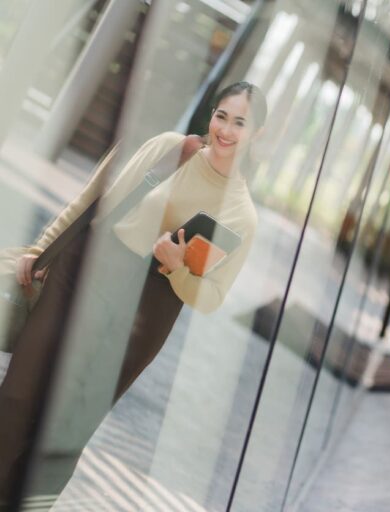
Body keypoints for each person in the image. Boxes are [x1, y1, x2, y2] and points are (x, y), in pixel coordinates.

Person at [0, 81, 265, 506]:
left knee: (65, 425)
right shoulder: (168, 148)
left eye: (240, 123)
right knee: (17, 395)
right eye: (221, 116)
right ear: (211, 115)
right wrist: (41, 249)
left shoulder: (241, 214)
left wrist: (179, 269)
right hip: (82, 274)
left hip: (144, 314)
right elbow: (94, 198)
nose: (226, 130)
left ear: (256, 134)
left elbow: (211, 297)